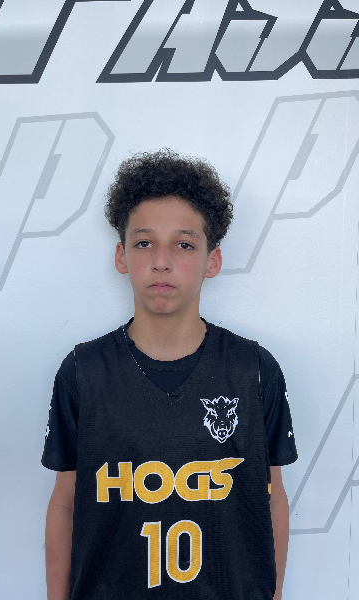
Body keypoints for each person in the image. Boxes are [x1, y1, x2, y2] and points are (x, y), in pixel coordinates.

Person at [42, 149, 298, 600]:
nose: (161, 261)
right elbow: (65, 501)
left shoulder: (254, 370)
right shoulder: (83, 371)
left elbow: (272, 496)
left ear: (212, 260)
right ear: (122, 256)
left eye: (184, 244)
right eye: (144, 243)